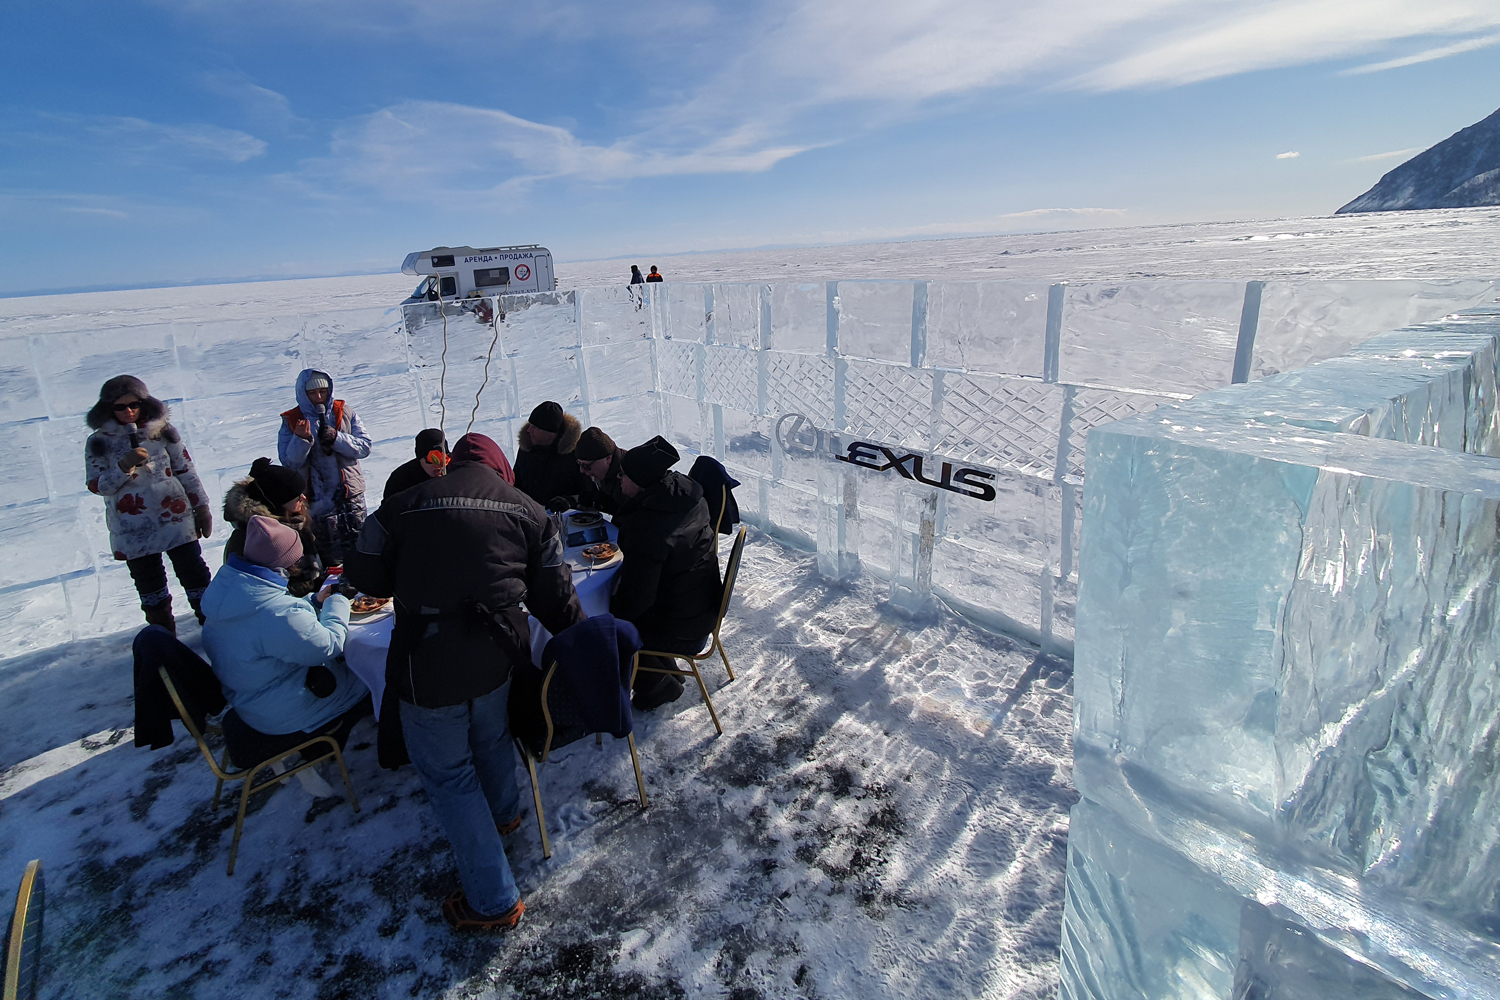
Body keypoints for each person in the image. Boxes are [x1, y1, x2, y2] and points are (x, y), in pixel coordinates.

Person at [343, 433, 583, 932]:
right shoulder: (530, 511)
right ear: (500, 466)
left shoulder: (402, 506)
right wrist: (587, 643)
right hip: (497, 654)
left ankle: (494, 901)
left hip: (428, 662)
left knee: (450, 777)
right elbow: (555, 595)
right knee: (491, 735)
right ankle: (504, 815)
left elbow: (366, 576)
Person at [200, 516, 371, 766]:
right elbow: (327, 645)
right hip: (286, 712)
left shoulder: (233, 592)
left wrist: (313, 602)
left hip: (252, 701)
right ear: (285, 560)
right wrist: (338, 600)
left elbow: (274, 622)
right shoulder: (274, 611)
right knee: (374, 674)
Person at [85, 375, 214, 633]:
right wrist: (123, 467)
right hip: (133, 526)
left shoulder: (162, 431)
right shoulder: (99, 441)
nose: (129, 411)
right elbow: (97, 485)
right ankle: (164, 640)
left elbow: (185, 468)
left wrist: (201, 506)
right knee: (150, 585)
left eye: (134, 404)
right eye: (120, 407)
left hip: (175, 517)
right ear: (108, 409)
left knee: (195, 574)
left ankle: (215, 627)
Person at [609, 436, 722, 710]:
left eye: (622, 475)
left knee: (610, 625)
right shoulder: (688, 495)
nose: (619, 480)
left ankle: (656, 685)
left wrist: (606, 611)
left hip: (684, 626)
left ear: (640, 481)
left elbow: (637, 600)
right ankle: (663, 670)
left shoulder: (648, 528)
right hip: (705, 602)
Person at [278, 369, 372, 567]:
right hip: (317, 501)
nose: (319, 397)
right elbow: (289, 463)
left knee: (362, 550)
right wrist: (301, 440)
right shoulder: (292, 421)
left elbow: (364, 446)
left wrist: (337, 438)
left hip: (350, 496)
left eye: (323, 391)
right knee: (330, 558)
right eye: (313, 393)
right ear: (303, 394)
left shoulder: (344, 412)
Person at [223, 457, 326, 597]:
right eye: (296, 497)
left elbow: (318, 551)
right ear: (277, 502)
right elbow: (258, 591)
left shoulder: (296, 518)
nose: (304, 498)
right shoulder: (252, 539)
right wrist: (314, 588)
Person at [513, 401, 586, 510]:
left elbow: (589, 490)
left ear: (550, 433)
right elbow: (515, 484)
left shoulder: (575, 453)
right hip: (532, 516)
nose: (529, 431)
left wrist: (569, 501)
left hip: (569, 518)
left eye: (535, 428)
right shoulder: (526, 449)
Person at [571, 426, 625, 514]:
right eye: (579, 464)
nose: (582, 470)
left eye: (586, 466)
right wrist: (571, 500)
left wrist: (619, 511)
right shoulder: (597, 472)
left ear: (608, 459)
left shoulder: (630, 475)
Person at [383, 429, 448, 500]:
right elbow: (387, 508)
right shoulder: (400, 480)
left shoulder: (456, 471)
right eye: (431, 459)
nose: (438, 465)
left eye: (444, 459)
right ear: (420, 459)